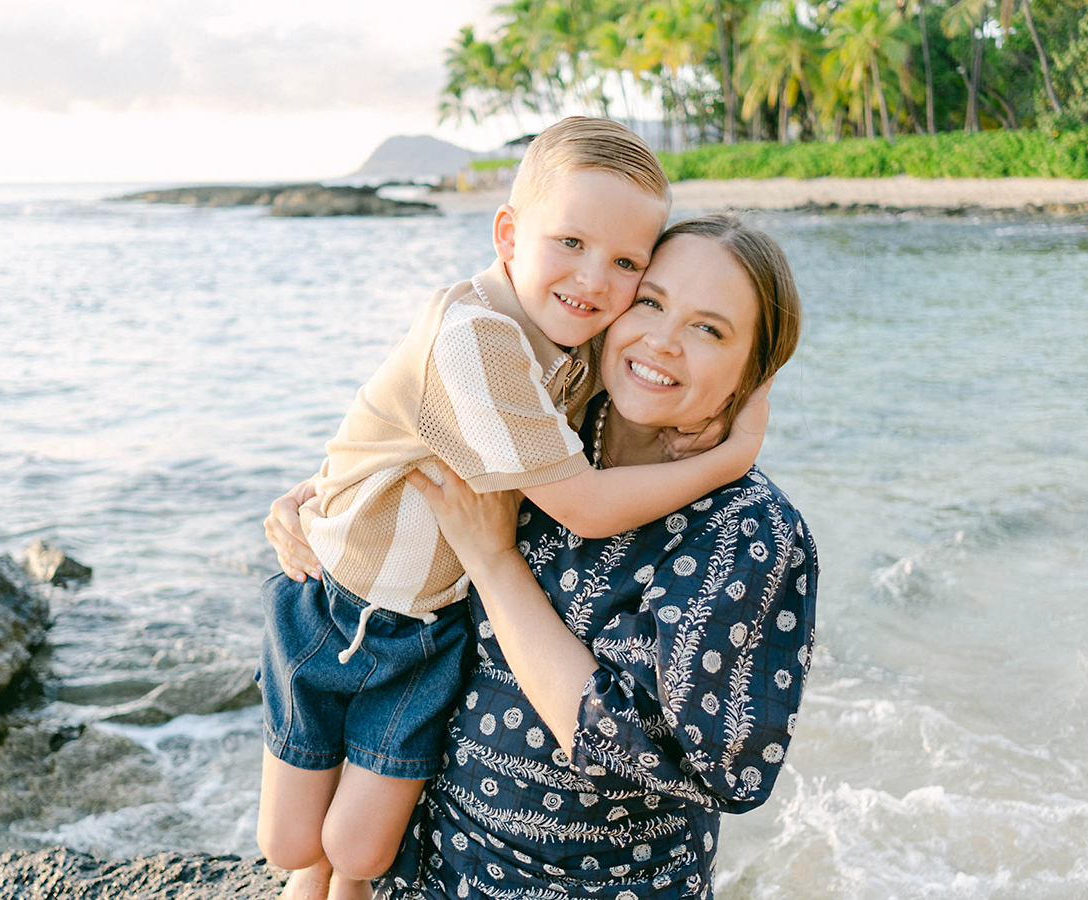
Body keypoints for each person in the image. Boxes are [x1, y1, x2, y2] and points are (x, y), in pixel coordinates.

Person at [255, 120, 773, 900]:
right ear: (508, 234)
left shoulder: (571, 347)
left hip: (427, 630)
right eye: (569, 242)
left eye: (626, 263)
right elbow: (585, 506)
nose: (595, 280)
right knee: (294, 844)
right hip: (336, 603)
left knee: (354, 854)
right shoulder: (481, 338)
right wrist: (728, 459)